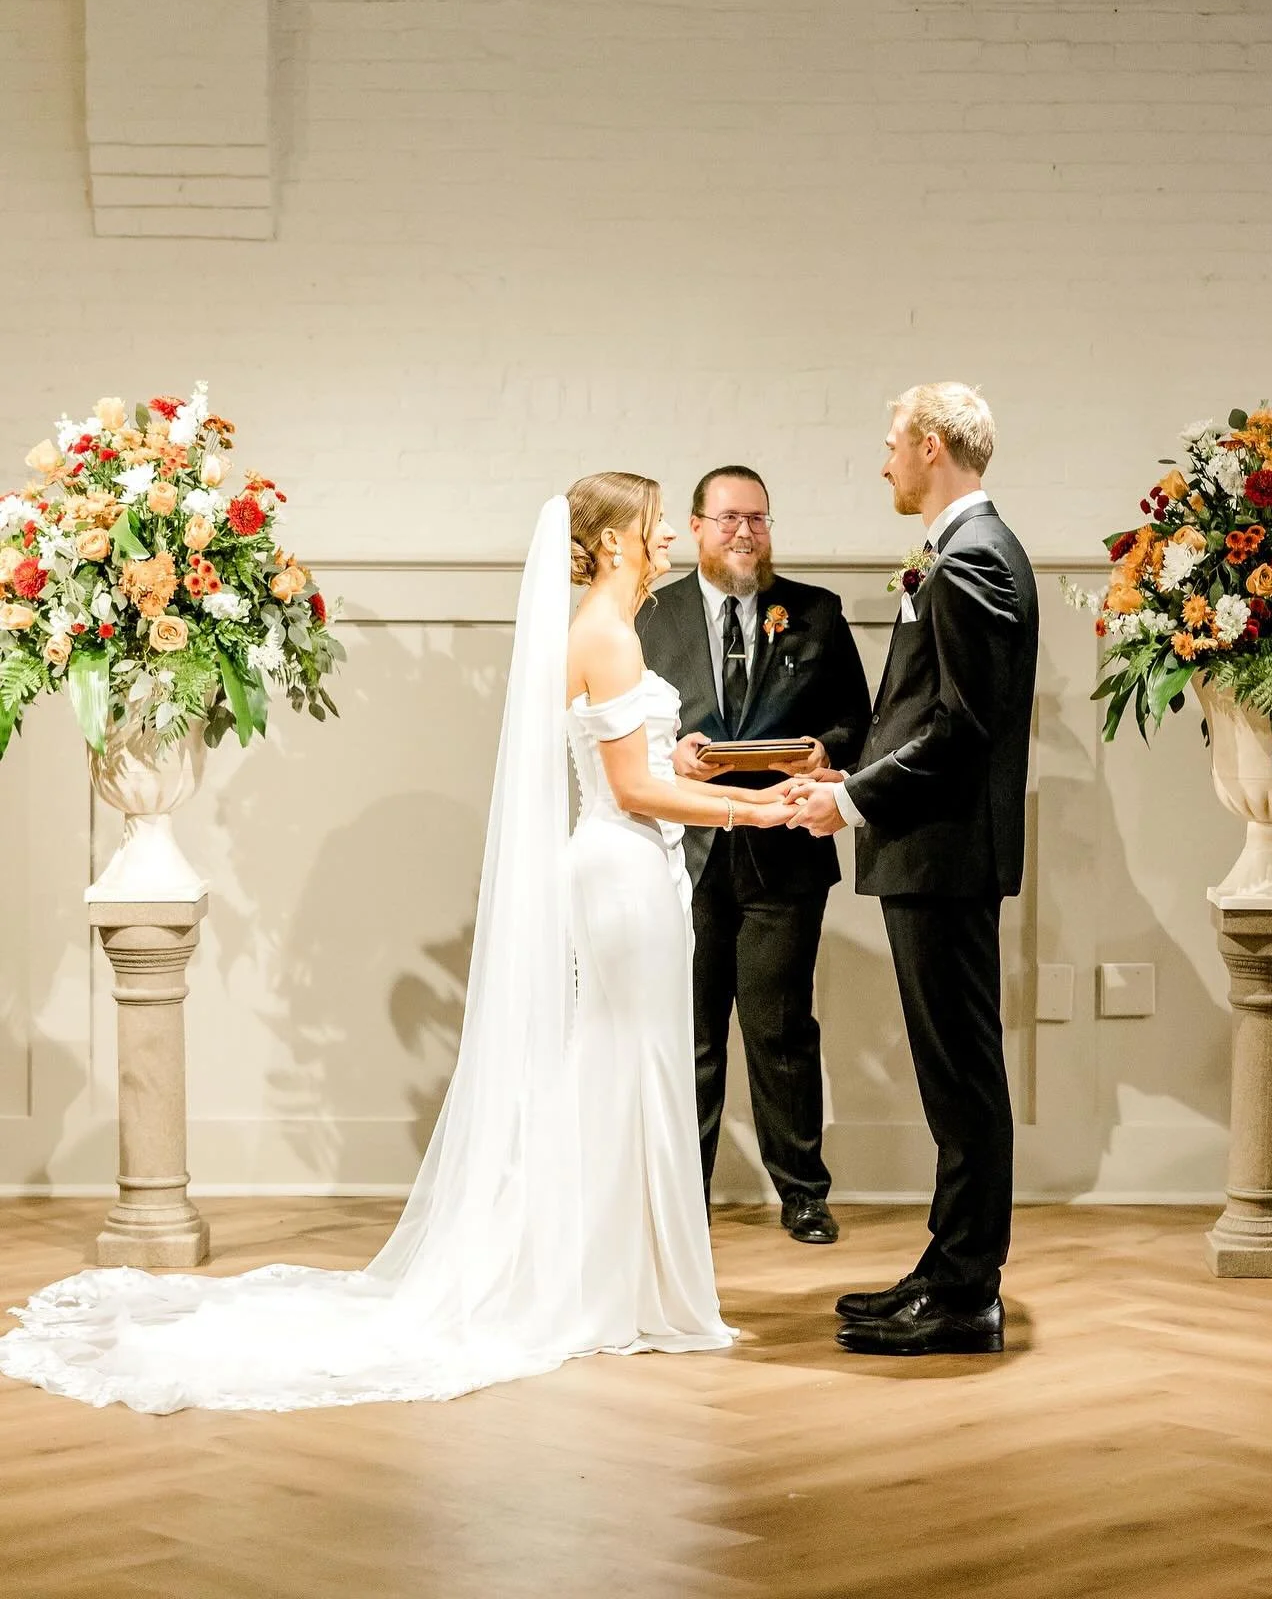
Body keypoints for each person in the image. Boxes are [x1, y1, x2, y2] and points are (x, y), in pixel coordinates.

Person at [0, 475, 794, 1413]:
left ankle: (613, 1277)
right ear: (616, 541)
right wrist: (754, 808)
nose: (667, 541)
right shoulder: (610, 635)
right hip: (624, 872)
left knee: (623, 1065)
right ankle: (609, 1283)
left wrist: (697, 768)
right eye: (657, 526)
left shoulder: (601, 629)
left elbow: (635, 763)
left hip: (624, 868)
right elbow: (632, 790)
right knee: (628, 1064)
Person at [788, 385, 1038, 1357]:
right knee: (951, 1077)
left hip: (944, 857)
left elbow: (961, 730)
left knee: (963, 1079)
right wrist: (852, 772)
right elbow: (926, 715)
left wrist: (852, 802)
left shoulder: (974, 560)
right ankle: (946, 1267)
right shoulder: (964, 552)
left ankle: (969, 1292)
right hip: (932, 854)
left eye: (894, 443)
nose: (884, 461)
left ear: (932, 447)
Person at [637, 466, 870, 1243]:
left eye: (759, 519)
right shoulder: (650, 613)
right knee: (691, 1033)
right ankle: (684, 1197)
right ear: (699, 527)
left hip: (785, 851)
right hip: (684, 853)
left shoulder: (815, 612)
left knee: (782, 1029)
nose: (746, 533)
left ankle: (802, 1193)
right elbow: (621, 728)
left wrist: (822, 751)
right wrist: (672, 754)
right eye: (730, 518)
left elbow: (856, 721)